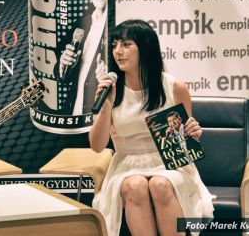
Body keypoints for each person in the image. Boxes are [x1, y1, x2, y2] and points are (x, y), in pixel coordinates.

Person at [89, 19, 213, 236]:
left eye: (126, 44)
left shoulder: (174, 87)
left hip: (169, 164)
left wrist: (193, 132)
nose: (118, 51)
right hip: (126, 165)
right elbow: (97, 146)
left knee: (160, 184)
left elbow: (186, 140)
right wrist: (107, 104)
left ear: (145, 48)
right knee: (134, 185)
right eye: (115, 45)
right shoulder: (109, 90)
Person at [58, 0, 108, 114]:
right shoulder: (82, 25)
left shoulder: (117, 25)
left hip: (98, 119)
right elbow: (65, 80)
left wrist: (110, 76)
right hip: (73, 114)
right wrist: (63, 65)